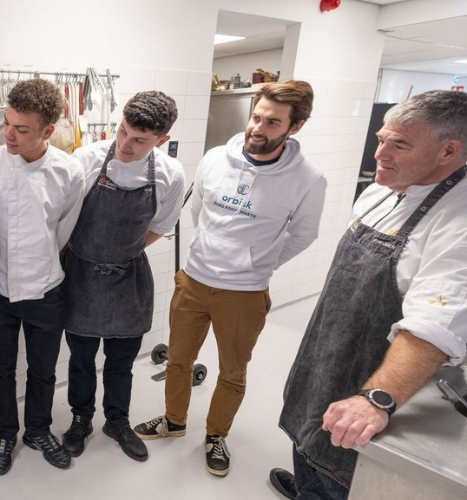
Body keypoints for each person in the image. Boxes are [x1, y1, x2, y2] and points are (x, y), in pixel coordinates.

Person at [272, 90, 467, 500]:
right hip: (326, 352)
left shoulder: (458, 220)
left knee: (342, 459)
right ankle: (306, 484)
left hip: (374, 370)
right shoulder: (378, 191)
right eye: (381, 139)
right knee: (309, 433)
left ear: (449, 151)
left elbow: (433, 327)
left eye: (400, 145)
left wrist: (376, 400)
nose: (380, 154)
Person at [134, 80, 326, 477]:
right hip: (193, 280)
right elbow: (199, 210)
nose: (258, 128)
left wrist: (259, 264)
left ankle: (216, 435)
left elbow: (304, 235)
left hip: (244, 292)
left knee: (232, 372)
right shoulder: (216, 158)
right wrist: (209, 250)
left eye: (273, 122)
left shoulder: (307, 179)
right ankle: (173, 420)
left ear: (296, 127)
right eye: (257, 117)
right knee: (179, 360)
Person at [60, 91, 185, 462]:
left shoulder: (169, 174)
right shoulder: (86, 159)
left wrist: (120, 254)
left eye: (139, 140)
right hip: (80, 275)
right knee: (81, 360)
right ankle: (81, 419)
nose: (125, 145)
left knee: (121, 362)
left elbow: (161, 225)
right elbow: (63, 219)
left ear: (161, 140)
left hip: (129, 280)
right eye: (123, 132)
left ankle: (117, 421)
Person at [0, 78, 86, 474]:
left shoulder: (69, 172)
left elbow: (63, 231)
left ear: (48, 131)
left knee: (43, 370)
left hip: (45, 289)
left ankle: (38, 430)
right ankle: (6, 433)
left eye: (21, 129)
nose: (8, 134)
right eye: (7, 123)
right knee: (1, 370)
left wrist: (39, 260)